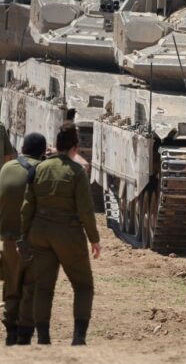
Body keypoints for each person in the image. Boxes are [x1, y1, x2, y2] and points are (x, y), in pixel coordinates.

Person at [20, 123, 101, 345]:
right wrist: (94, 239)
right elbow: (86, 211)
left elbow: (27, 206)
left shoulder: (39, 169)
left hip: (40, 233)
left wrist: (24, 236)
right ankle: (78, 339)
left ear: (56, 145)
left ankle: (43, 338)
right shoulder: (77, 172)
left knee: (43, 287)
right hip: (68, 235)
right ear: (76, 147)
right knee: (83, 286)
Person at [0, 132, 45, 345]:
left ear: (22, 149)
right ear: (42, 152)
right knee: (31, 287)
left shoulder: (6, 168)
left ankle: (11, 329)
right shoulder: (44, 171)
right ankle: (25, 333)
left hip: (10, 239)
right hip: (36, 242)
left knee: (12, 285)